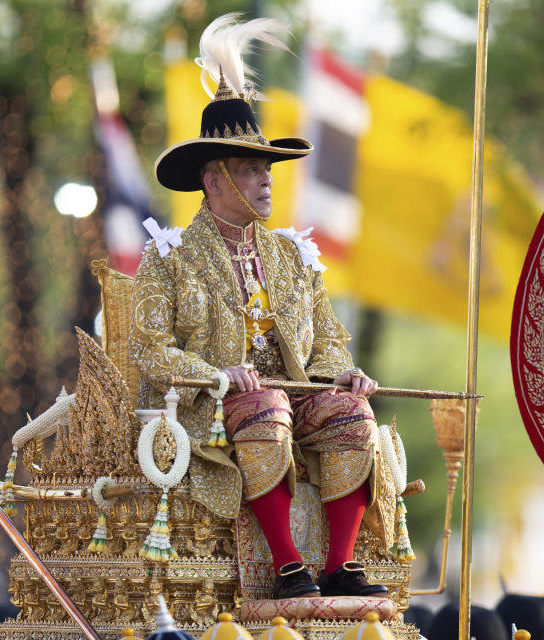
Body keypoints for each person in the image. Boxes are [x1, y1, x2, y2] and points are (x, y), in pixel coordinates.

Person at [130, 14, 393, 600]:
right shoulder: (168, 256)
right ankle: (287, 567)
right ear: (214, 179)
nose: (266, 181)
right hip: (206, 410)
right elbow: (148, 349)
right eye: (251, 169)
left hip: (287, 399)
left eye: (267, 169)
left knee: (351, 415)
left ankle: (340, 566)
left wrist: (342, 376)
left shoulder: (294, 255)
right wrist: (216, 375)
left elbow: (326, 340)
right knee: (263, 407)